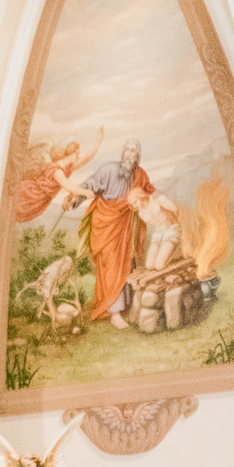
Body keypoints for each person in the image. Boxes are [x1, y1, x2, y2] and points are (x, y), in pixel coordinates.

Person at [77, 138, 154, 326]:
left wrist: (140, 199)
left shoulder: (139, 174)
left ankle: (125, 305)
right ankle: (114, 312)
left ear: (137, 156)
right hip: (105, 222)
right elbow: (89, 185)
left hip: (126, 225)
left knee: (126, 264)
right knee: (111, 265)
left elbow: (148, 192)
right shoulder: (109, 169)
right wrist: (76, 198)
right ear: (122, 153)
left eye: (133, 152)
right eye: (127, 150)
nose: (129, 154)